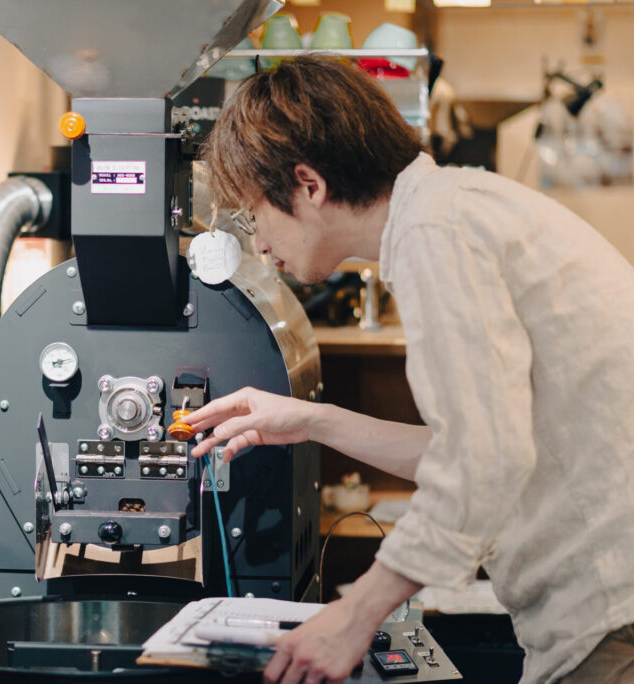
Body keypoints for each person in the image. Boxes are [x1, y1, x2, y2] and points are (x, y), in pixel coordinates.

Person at [188, 55, 634, 684]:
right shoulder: (452, 211)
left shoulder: (438, 234)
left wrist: (356, 615)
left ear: (308, 185)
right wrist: (312, 419)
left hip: (610, 613)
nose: (257, 244)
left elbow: (482, 463)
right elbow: (473, 448)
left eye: (253, 215)